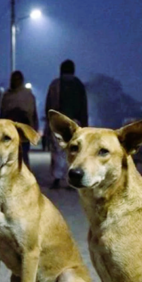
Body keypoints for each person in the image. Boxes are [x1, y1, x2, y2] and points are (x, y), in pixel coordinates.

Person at [44, 59, 88, 189]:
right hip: (74, 123)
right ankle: (69, 179)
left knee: (58, 151)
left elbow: (49, 106)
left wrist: (49, 121)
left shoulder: (56, 84)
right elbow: (84, 107)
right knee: (73, 151)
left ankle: (58, 178)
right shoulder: (78, 85)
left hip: (59, 123)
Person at [0, 70, 39, 168]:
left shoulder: (26, 95)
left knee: (21, 155)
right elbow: (2, 114)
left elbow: (32, 114)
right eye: (14, 79)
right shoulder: (8, 96)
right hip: (11, 130)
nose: (15, 82)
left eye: (17, 79)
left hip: (21, 130)